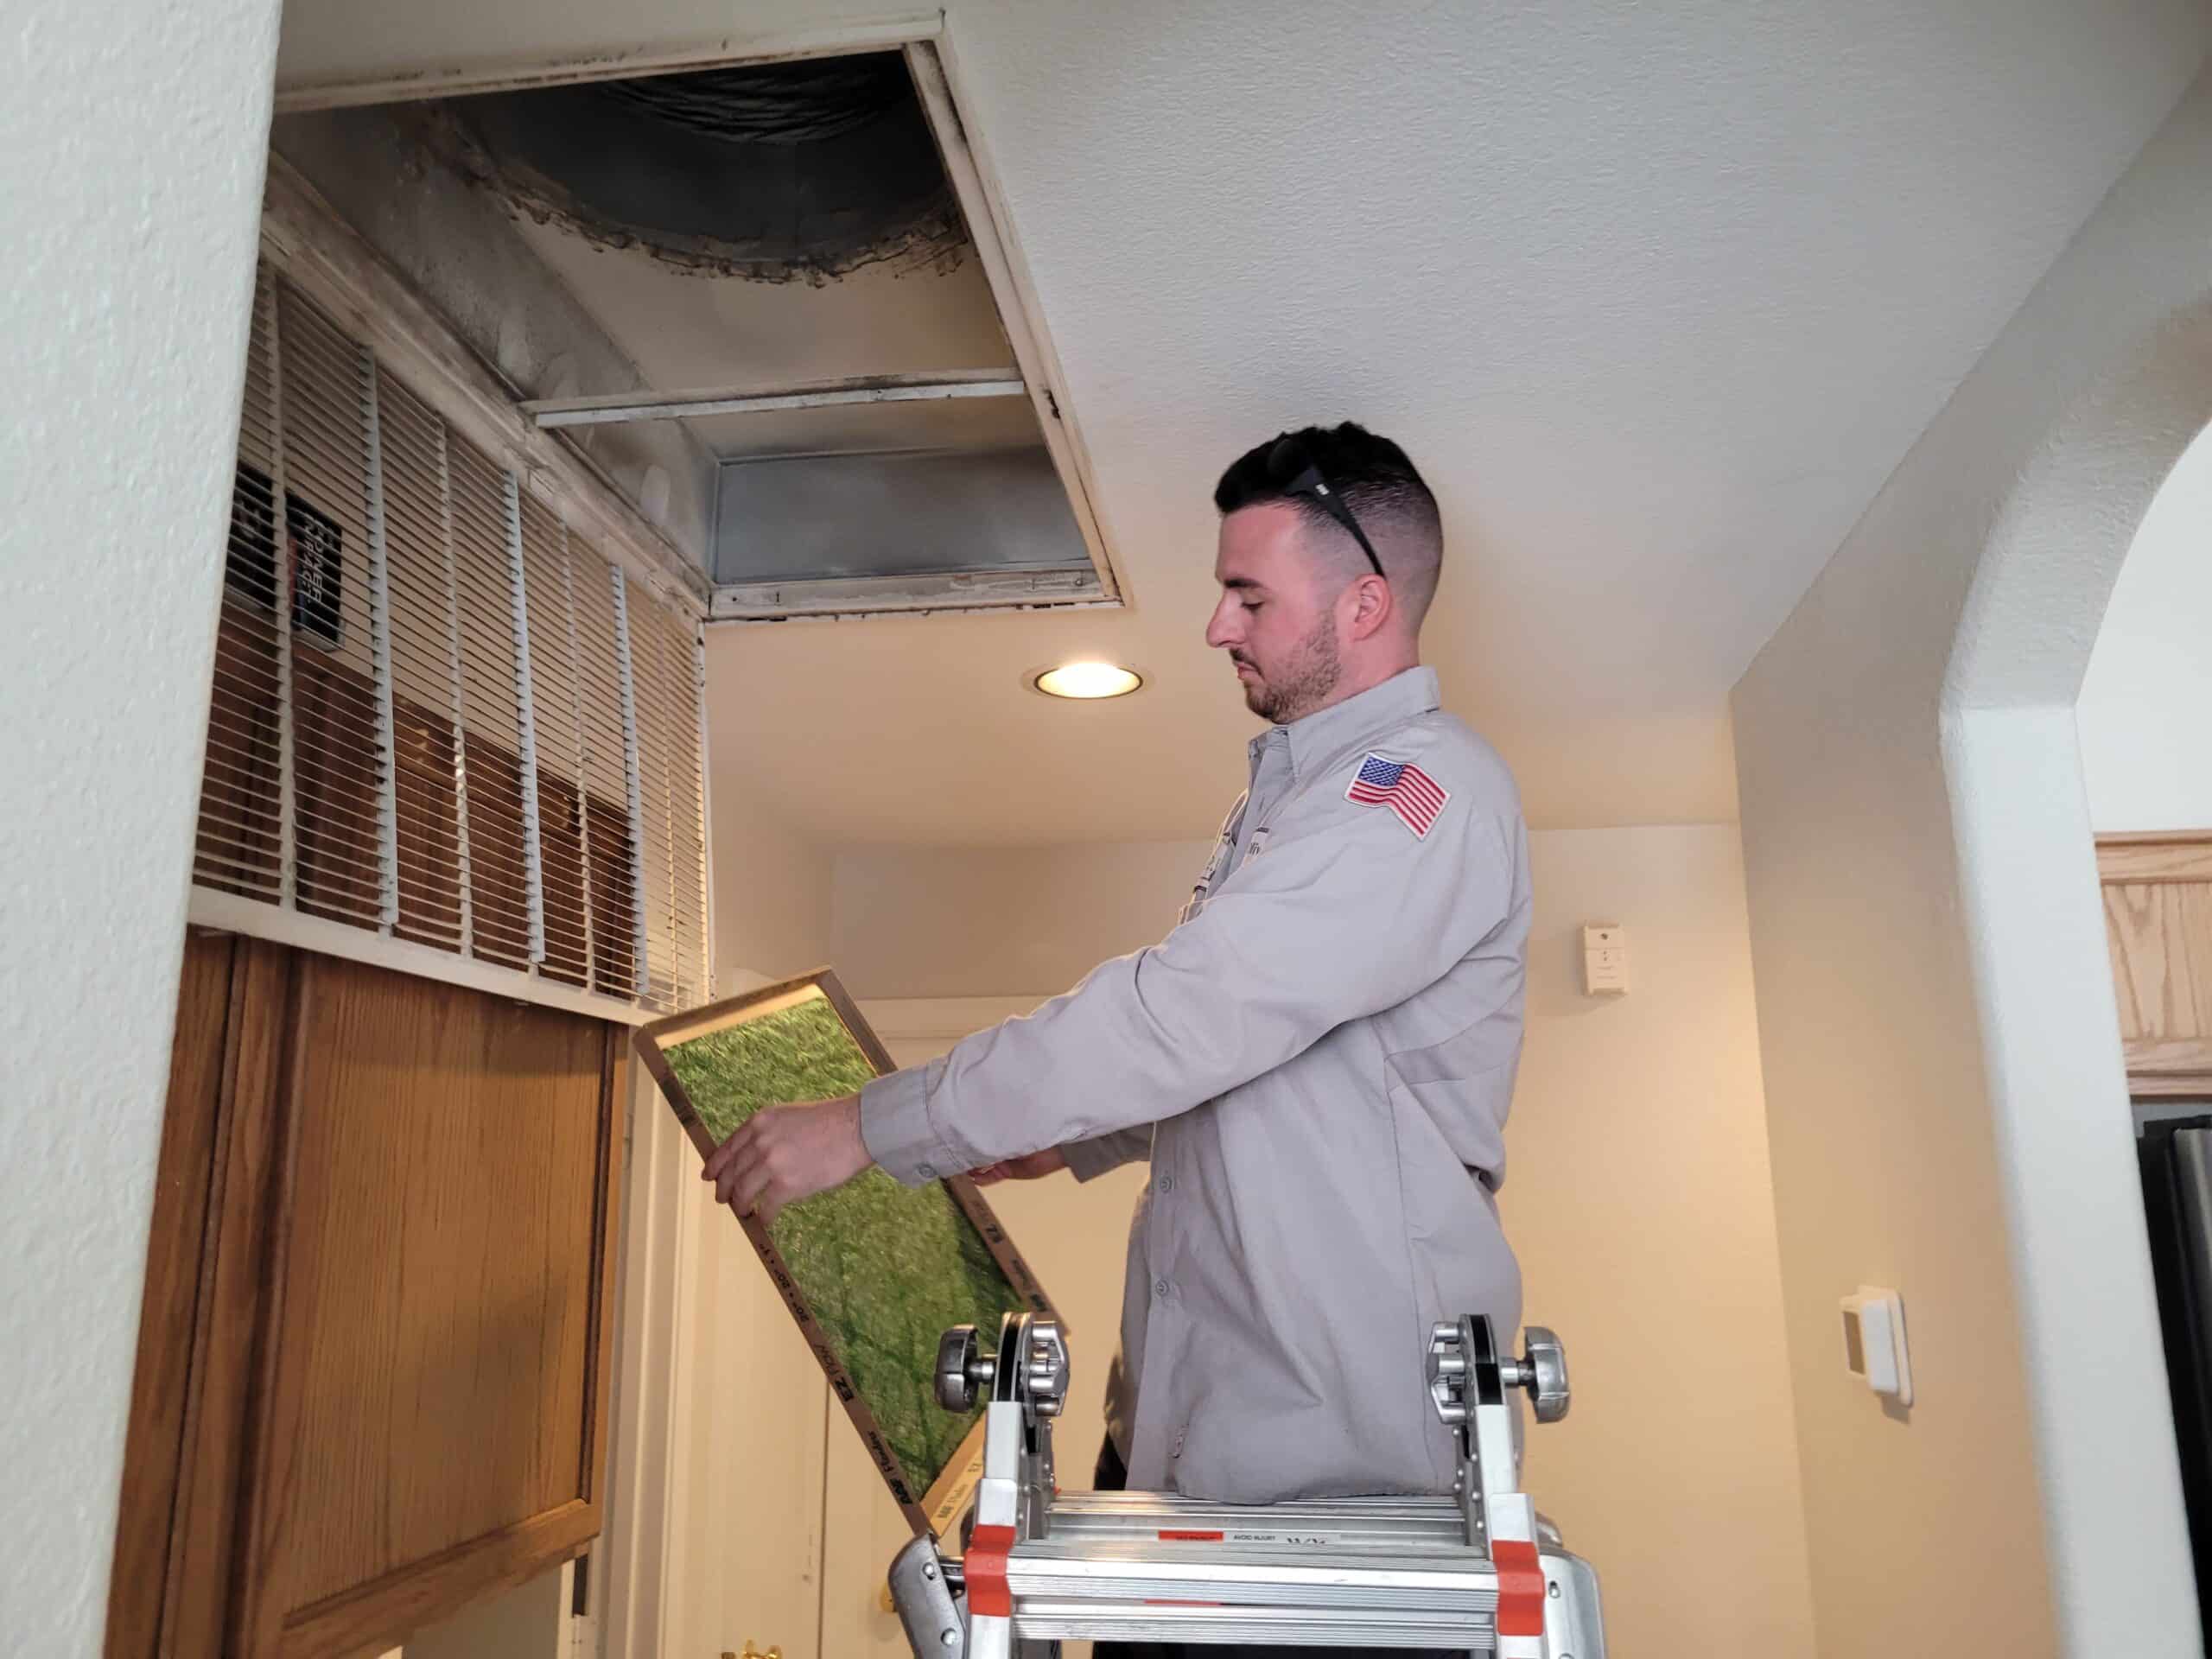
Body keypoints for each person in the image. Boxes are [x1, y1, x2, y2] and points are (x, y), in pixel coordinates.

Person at [704, 422, 1531, 1657]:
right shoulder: (1302, 800)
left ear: (1364, 604)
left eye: (1246, 593)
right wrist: (1077, 1140)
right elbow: (1267, 1059)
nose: (1216, 626)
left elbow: (1189, 1011)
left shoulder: (1415, 793)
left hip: (1327, 1502)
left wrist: (876, 1125)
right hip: (1207, 1458)